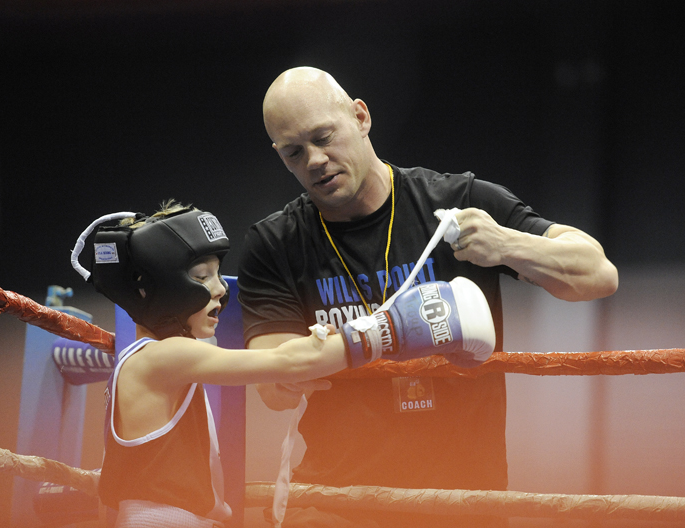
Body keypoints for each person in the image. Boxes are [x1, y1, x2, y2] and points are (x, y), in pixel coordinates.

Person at [237, 67, 619, 528]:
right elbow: (273, 388)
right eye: (295, 152)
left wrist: (507, 244)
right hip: (338, 503)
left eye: (323, 137)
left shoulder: (457, 202)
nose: (315, 160)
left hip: (463, 502)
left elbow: (598, 274)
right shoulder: (275, 244)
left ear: (360, 117)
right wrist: (381, 335)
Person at [70, 201, 494, 528]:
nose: (220, 289)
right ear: (150, 288)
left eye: (217, 274)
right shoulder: (164, 357)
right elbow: (287, 360)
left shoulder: (152, 358)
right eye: (201, 277)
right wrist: (389, 330)